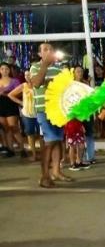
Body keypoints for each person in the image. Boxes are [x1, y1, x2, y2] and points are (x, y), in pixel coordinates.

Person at [31, 43, 72, 187]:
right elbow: (36, 83)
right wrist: (45, 65)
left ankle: (56, 171)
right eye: (45, 49)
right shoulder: (36, 66)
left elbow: (66, 87)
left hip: (59, 109)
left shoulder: (59, 68)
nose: (49, 51)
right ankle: (44, 176)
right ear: (40, 54)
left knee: (57, 141)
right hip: (43, 110)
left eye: (51, 49)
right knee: (50, 141)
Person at [8, 70, 44, 161]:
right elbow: (11, 95)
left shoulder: (39, 85)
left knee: (42, 135)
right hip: (27, 114)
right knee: (30, 134)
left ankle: (44, 154)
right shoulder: (23, 86)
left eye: (29, 75)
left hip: (39, 112)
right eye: (26, 75)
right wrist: (21, 102)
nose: (27, 76)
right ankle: (34, 154)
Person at [0, 62, 24, 157]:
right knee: (5, 128)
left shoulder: (14, 81)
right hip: (1, 106)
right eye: (2, 69)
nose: (4, 71)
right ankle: (10, 149)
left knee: (13, 127)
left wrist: (5, 93)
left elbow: (19, 94)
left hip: (10, 105)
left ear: (9, 70)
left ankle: (22, 148)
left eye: (6, 69)